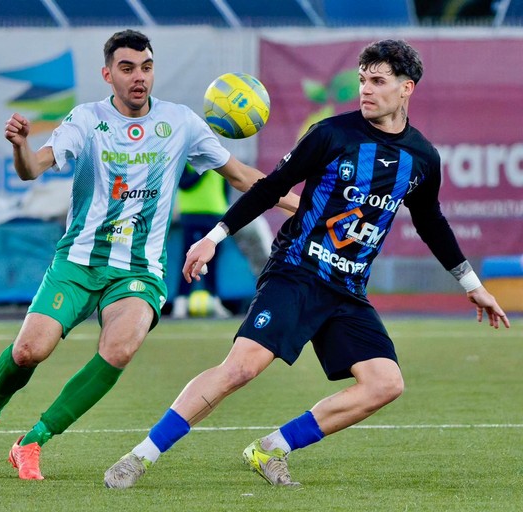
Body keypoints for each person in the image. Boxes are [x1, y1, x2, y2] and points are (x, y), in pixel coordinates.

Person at [103, 39, 510, 489]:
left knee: (385, 383)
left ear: (406, 88)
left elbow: (430, 220)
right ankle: (140, 456)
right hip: (297, 271)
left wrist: (470, 283)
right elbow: (269, 187)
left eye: (378, 81)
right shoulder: (331, 134)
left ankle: (271, 448)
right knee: (241, 368)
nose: (366, 90)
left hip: (348, 289)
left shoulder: (422, 159)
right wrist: (215, 237)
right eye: (361, 81)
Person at [0, 29, 299, 480]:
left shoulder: (181, 122)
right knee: (31, 350)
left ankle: (32, 441)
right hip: (79, 259)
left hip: (140, 268)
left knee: (120, 347)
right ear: (107, 74)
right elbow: (33, 169)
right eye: (127, 69)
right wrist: (20, 147)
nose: (139, 78)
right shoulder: (86, 120)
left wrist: (304, 206)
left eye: (146, 68)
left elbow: (244, 177)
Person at [170, 164, 231, 319]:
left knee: (213, 261)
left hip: (216, 214)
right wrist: (203, 170)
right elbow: (184, 184)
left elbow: (226, 187)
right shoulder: (186, 162)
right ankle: (181, 302)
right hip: (192, 214)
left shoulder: (218, 160)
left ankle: (214, 300)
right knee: (189, 260)